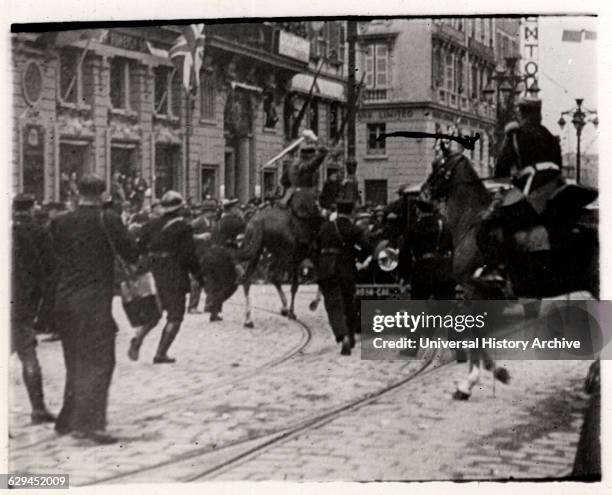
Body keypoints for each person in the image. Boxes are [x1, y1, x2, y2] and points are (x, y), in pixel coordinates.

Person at [50, 175, 138, 444]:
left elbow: (49, 260)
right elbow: (131, 253)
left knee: (73, 360)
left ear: (78, 192)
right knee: (101, 362)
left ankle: (67, 419)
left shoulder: (60, 221)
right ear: (103, 194)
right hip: (94, 302)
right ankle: (90, 425)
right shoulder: (108, 219)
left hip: (64, 300)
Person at [128, 191, 203, 364]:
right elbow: (189, 255)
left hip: (152, 272)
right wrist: (198, 275)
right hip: (174, 273)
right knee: (175, 316)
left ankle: (138, 337)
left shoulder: (150, 224)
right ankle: (160, 353)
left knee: (154, 313)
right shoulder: (184, 227)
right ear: (180, 208)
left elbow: (139, 248)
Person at [11, 194, 56, 425]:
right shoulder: (38, 232)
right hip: (21, 304)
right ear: (30, 209)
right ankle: (38, 409)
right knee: (28, 356)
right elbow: (49, 270)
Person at [316, 199, 372, 355]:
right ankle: (351, 336)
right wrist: (357, 257)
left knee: (333, 305)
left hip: (327, 269)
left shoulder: (326, 227)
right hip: (346, 269)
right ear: (352, 212)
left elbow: (316, 247)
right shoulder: (354, 229)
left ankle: (342, 336)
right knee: (349, 303)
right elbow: (367, 248)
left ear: (338, 211)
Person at [280, 130, 328, 244]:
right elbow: (322, 154)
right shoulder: (305, 165)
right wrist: (316, 140)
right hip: (305, 200)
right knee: (321, 221)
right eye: (312, 153)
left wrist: (293, 188)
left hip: (289, 197)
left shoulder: (292, 164)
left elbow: (283, 181)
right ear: (309, 155)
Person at [406, 199, 455, 300]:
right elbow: (452, 247)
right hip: (442, 270)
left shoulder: (413, 228)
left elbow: (405, 252)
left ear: (418, 211)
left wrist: (405, 276)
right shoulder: (443, 226)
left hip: (421, 270)